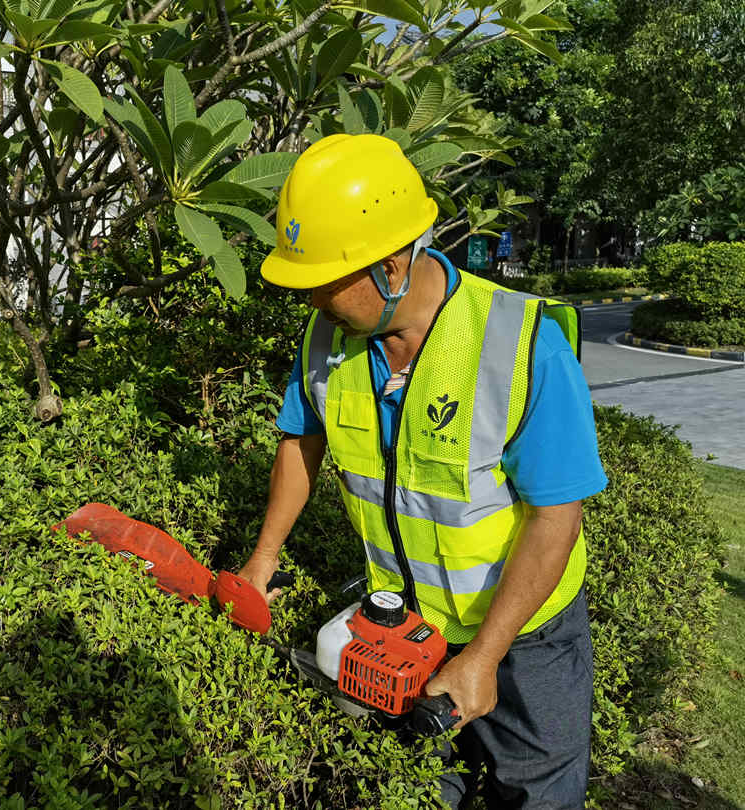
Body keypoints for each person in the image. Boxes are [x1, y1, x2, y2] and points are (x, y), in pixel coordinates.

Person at [237, 134, 608, 809]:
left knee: (538, 793)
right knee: (421, 788)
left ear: (393, 267)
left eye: (325, 280)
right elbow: (301, 441)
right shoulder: (327, 340)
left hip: (526, 633)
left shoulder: (520, 346)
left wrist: (485, 656)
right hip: (405, 623)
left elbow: (558, 514)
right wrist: (264, 559)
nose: (312, 299)